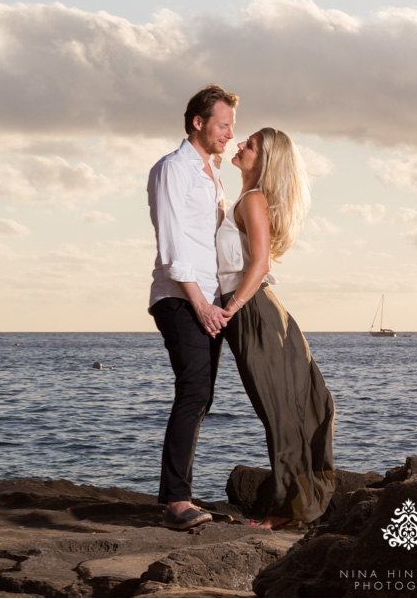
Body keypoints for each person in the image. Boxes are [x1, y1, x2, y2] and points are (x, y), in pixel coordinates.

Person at [217, 127, 336, 529]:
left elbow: (260, 265)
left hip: (254, 312)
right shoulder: (245, 198)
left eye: (248, 145)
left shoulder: (252, 199)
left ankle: (286, 511)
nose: (239, 146)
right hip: (260, 311)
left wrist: (229, 308)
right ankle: (295, 504)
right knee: (283, 410)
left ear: (264, 160)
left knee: (279, 411)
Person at [147, 84, 237, 529]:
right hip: (181, 297)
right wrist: (200, 303)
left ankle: (180, 495)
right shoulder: (173, 169)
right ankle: (176, 503)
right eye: (223, 125)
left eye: (232, 127)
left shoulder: (212, 172)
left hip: (207, 298)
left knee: (201, 396)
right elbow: (172, 245)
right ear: (198, 123)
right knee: (194, 391)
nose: (229, 134)